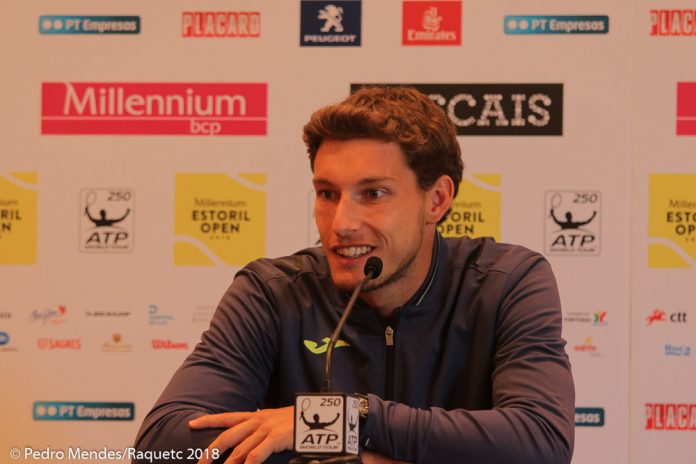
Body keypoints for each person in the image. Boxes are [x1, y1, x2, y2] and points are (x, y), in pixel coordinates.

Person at [134, 86, 574, 464]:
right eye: (327, 194)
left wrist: (353, 417)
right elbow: (164, 444)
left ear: (437, 200)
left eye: (374, 193)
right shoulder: (272, 293)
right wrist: (359, 456)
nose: (341, 224)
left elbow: (540, 441)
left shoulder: (506, 282)